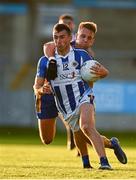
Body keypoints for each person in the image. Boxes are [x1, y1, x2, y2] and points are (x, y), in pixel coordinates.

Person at [43, 21, 127, 166]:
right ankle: (108, 146)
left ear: (93, 40)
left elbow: (93, 79)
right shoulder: (65, 43)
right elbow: (47, 46)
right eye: (83, 36)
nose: (85, 40)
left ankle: (100, 162)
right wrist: (51, 60)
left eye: (89, 38)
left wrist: (101, 74)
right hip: (60, 95)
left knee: (86, 128)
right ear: (75, 36)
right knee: (79, 132)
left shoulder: (87, 55)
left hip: (82, 96)